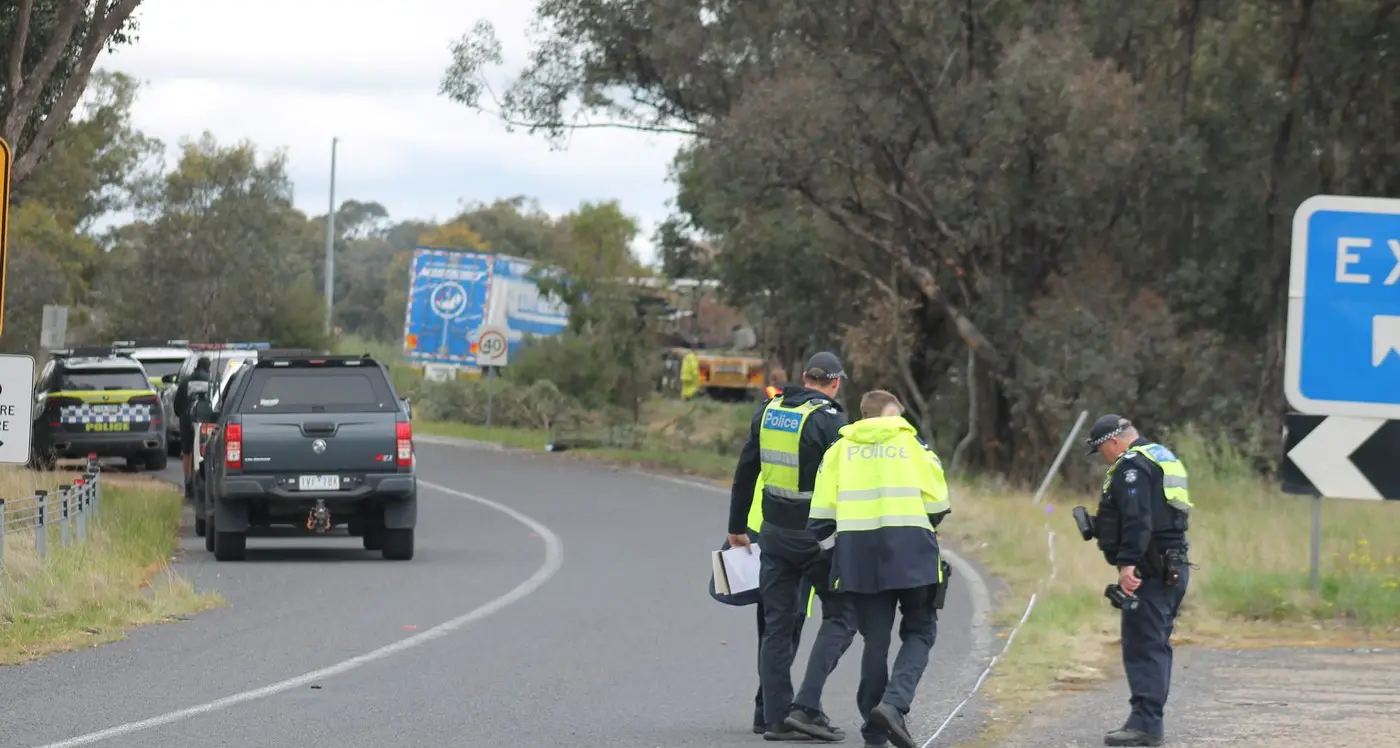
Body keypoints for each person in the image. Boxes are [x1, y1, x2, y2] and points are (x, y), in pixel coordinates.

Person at [786, 392, 951, 747]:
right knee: (920, 630)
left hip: (858, 556)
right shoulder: (913, 445)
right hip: (911, 551)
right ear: (892, 413)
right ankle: (893, 705)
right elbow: (939, 504)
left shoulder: (839, 450)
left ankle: (874, 731)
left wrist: (835, 554)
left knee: (875, 641)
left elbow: (821, 519)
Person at [728, 351, 851, 741]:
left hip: (774, 533)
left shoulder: (769, 411)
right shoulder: (830, 421)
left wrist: (736, 526)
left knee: (776, 627)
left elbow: (747, 469)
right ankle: (806, 707)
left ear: (805, 377)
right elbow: (847, 482)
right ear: (835, 382)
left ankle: (774, 717)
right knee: (842, 614)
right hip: (816, 538)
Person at [1085, 414, 1193, 748]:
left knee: (1144, 646)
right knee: (1154, 643)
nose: (1103, 457)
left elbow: (1137, 517)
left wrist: (1128, 563)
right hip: (1171, 564)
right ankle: (1145, 721)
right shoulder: (1160, 456)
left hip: (1150, 568)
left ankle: (1146, 726)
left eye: (1101, 450)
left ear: (1112, 442)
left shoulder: (1131, 465)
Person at [174, 356, 212, 492]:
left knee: (186, 452)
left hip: (186, 419)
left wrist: (181, 414)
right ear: (208, 367)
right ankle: (198, 478)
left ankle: (187, 481)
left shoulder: (185, 381)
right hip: (203, 420)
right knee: (201, 451)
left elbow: (177, 404)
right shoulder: (210, 381)